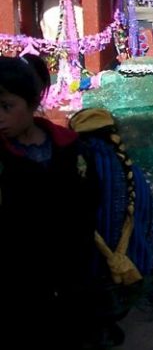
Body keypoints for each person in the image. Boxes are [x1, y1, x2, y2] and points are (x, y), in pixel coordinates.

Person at [0, 54, 100, 345]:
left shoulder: (70, 148)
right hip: (17, 274)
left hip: (72, 264)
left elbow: (90, 197)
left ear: (32, 104)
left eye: (6, 107)